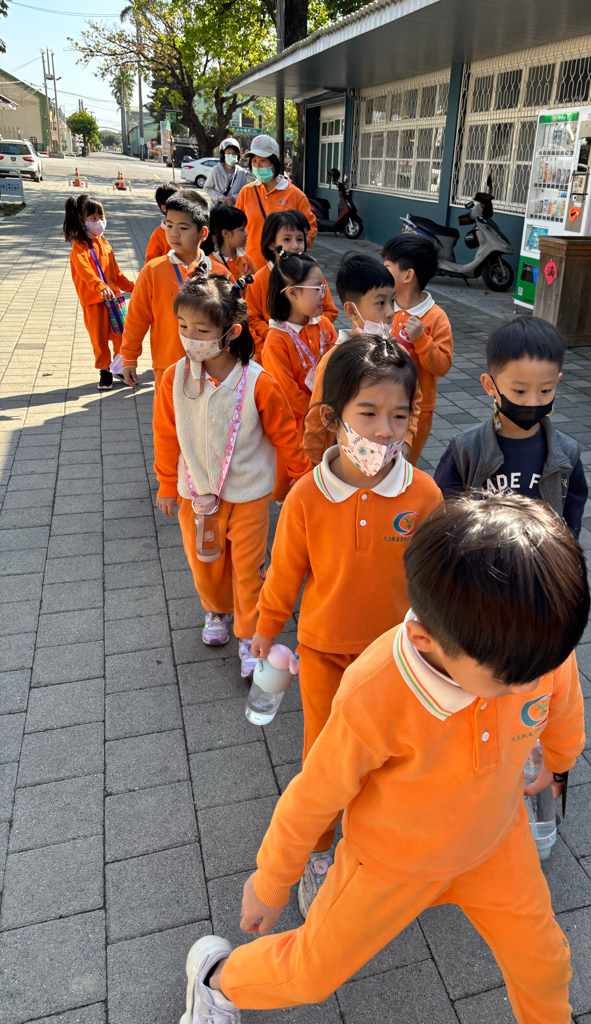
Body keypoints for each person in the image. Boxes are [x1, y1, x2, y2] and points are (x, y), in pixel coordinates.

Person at [180, 491, 589, 1024]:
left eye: (545, 666)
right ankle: (217, 979)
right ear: (424, 639)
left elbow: (564, 704)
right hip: (389, 864)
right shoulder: (376, 690)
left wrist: (559, 762)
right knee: (310, 972)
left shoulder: (533, 648)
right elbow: (315, 793)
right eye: (510, 679)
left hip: (495, 843)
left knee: (545, 963)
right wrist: (271, 881)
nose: (532, 686)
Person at [248, 334, 442, 913]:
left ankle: (386, 837)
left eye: (399, 416)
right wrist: (265, 628)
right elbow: (285, 572)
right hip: (324, 653)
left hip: (400, 659)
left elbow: (438, 578)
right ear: (333, 419)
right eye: (369, 413)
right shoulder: (307, 497)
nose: (385, 431)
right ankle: (319, 849)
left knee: (398, 753)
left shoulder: (423, 493)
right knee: (324, 756)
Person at [153, 267, 310, 664]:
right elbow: (166, 434)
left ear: (231, 333)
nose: (189, 337)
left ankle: (249, 632)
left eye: (202, 330)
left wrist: (303, 478)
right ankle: (216, 610)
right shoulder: (173, 379)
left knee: (247, 568)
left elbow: (285, 436)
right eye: (183, 326)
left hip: (248, 494)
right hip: (197, 497)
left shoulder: (258, 382)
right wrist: (167, 483)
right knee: (205, 565)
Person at [434, 317, 588, 539]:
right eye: (520, 391)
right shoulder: (465, 450)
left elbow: (572, 522)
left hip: (541, 559)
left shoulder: (567, 453)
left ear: (557, 382)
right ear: (490, 385)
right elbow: (442, 517)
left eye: (545, 390)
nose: (533, 402)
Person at [301, 251, 422, 465]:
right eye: (380, 303)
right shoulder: (333, 361)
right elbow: (316, 418)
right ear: (351, 310)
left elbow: (413, 400)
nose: (390, 312)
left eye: (392, 301)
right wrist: (317, 466)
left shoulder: (398, 354)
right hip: (344, 463)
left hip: (391, 459)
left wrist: (407, 441)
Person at [120, 192, 234, 392]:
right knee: (167, 412)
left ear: (203, 233)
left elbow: (234, 320)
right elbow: (136, 318)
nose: (174, 233)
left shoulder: (220, 273)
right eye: (169, 225)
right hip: (168, 365)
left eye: (183, 227)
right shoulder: (153, 271)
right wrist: (129, 357)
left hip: (214, 365)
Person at [382, 233, 454, 465]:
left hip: (418, 409)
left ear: (408, 275)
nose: (381, 272)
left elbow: (442, 365)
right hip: (380, 400)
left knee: (403, 464)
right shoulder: (382, 307)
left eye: (387, 267)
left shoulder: (436, 317)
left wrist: (421, 340)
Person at [261, 252, 337, 441]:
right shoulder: (276, 340)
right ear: (293, 293)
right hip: (298, 432)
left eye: (323, 288)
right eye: (317, 289)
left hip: (331, 421)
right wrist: (321, 413)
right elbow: (288, 395)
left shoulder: (325, 325)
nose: (323, 295)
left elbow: (337, 369)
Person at [63, 193, 135, 391]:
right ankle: (105, 371)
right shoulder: (79, 247)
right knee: (99, 339)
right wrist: (100, 286)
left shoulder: (104, 243)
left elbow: (115, 273)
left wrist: (133, 287)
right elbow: (85, 271)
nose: (99, 222)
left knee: (122, 335)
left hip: (114, 301)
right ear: (82, 219)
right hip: (94, 302)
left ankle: (119, 367)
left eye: (101, 217)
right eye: (93, 218)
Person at [247, 210, 339, 360]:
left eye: (300, 239)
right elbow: (251, 319)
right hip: (273, 355)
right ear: (271, 244)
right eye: (287, 239)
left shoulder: (313, 275)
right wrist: (278, 337)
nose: (295, 246)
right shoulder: (258, 280)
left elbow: (329, 310)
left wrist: (309, 329)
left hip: (313, 352)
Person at [236, 135, 317, 272]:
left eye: (263, 160)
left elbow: (310, 230)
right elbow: (236, 228)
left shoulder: (295, 195)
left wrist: (293, 246)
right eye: (254, 161)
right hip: (252, 268)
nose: (257, 165)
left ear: (275, 162)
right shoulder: (246, 192)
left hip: (285, 269)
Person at [204, 203, 255, 280]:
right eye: (241, 230)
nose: (246, 234)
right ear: (225, 233)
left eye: (245, 229)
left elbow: (256, 284)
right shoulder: (209, 264)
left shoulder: (245, 258)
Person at [144, 181, 182, 266]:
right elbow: (150, 265)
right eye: (180, 203)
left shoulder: (192, 229)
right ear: (164, 208)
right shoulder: (158, 234)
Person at [204, 138, 249, 207]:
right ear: (223, 155)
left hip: (234, 210)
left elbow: (245, 191)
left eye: (233, 153)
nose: (231, 156)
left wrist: (233, 198)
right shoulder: (216, 170)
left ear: (237, 155)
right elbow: (207, 188)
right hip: (217, 209)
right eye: (228, 153)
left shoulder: (242, 173)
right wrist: (221, 197)